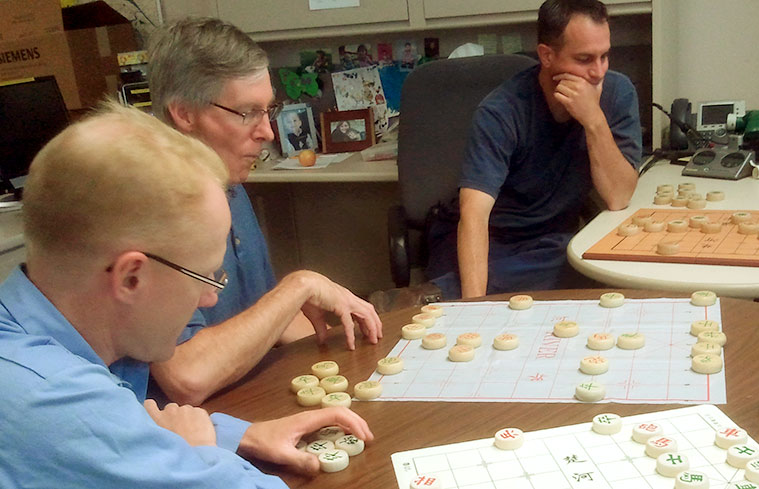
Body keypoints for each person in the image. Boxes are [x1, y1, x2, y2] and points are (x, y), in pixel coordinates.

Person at [0, 102, 374, 487]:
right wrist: (201, 451)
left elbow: (122, 422)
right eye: (204, 278)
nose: (209, 300)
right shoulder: (58, 403)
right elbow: (91, 425)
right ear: (131, 277)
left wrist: (240, 435)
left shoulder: (25, 333)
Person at [146, 17, 382, 406]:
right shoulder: (148, 207)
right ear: (184, 114)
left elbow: (264, 316)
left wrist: (354, 368)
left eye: (267, 110)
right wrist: (299, 287)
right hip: (194, 425)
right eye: (246, 113)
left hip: (254, 389)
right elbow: (186, 377)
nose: (269, 132)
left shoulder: (226, 179)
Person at [370, 0, 641, 311]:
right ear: (547, 56)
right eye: (584, 59)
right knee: (561, 273)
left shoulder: (618, 94)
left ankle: (436, 296)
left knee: (581, 260)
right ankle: (449, 295)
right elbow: (474, 216)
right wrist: (476, 313)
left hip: (549, 238)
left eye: (604, 56)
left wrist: (593, 121)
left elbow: (618, 196)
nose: (598, 72)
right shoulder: (501, 111)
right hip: (489, 235)